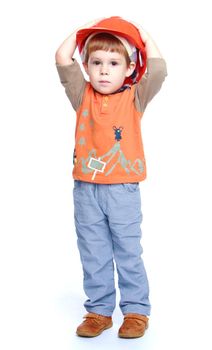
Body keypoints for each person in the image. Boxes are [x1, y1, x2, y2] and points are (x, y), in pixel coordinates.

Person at [55, 16, 168, 339]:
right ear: (87, 68)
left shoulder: (134, 98)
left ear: (130, 69)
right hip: (85, 189)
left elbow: (158, 69)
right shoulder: (82, 95)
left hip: (122, 190)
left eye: (114, 63)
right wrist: (85, 30)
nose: (104, 70)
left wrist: (140, 34)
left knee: (127, 251)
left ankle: (135, 310)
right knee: (93, 250)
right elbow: (63, 58)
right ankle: (99, 311)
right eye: (97, 62)